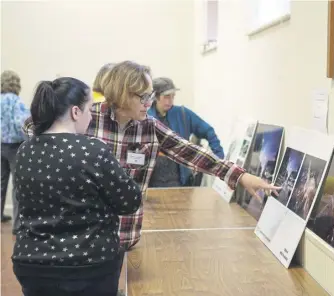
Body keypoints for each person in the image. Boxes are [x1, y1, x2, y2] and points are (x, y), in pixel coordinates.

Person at [23, 60, 280, 252]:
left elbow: (191, 152)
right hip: (82, 240)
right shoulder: (88, 118)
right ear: (123, 93)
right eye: (143, 96)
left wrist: (240, 176)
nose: (149, 102)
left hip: (125, 236)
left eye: (151, 96)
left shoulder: (150, 127)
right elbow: (36, 127)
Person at [13, 77, 142, 296]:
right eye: (90, 110)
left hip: (32, 264)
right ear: (75, 112)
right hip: (88, 264)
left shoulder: (25, 150)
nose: (91, 117)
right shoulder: (93, 150)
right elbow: (129, 201)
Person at [147, 77, 224, 187]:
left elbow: (209, 131)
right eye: (166, 97)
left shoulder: (182, 114)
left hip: (179, 182)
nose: (170, 101)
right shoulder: (145, 116)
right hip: (151, 182)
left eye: (173, 96)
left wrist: (219, 158)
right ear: (156, 97)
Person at [1, 70, 30, 225]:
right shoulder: (15, 101)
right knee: (17, 185)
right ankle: (18, 224)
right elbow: (22, 124)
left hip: (0, 145)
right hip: (14, 147)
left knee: (1, 181)